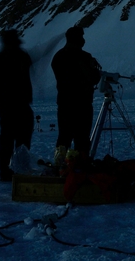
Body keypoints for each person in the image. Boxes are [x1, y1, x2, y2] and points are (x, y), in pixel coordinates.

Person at [0, 29, 34, 182]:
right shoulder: (20, 57)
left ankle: (8, 170)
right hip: (14, 105)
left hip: (9, 106)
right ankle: (16, 169)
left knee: (11, 139)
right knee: (18, 139)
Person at [51, 26, 101, 165]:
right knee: (82, 139)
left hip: (64, 103)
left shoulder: (58, 57)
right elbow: (94, 78)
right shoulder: (84, 57)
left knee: (64, 138)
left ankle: (60, 166)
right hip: (82, 104)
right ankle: (80, 167)